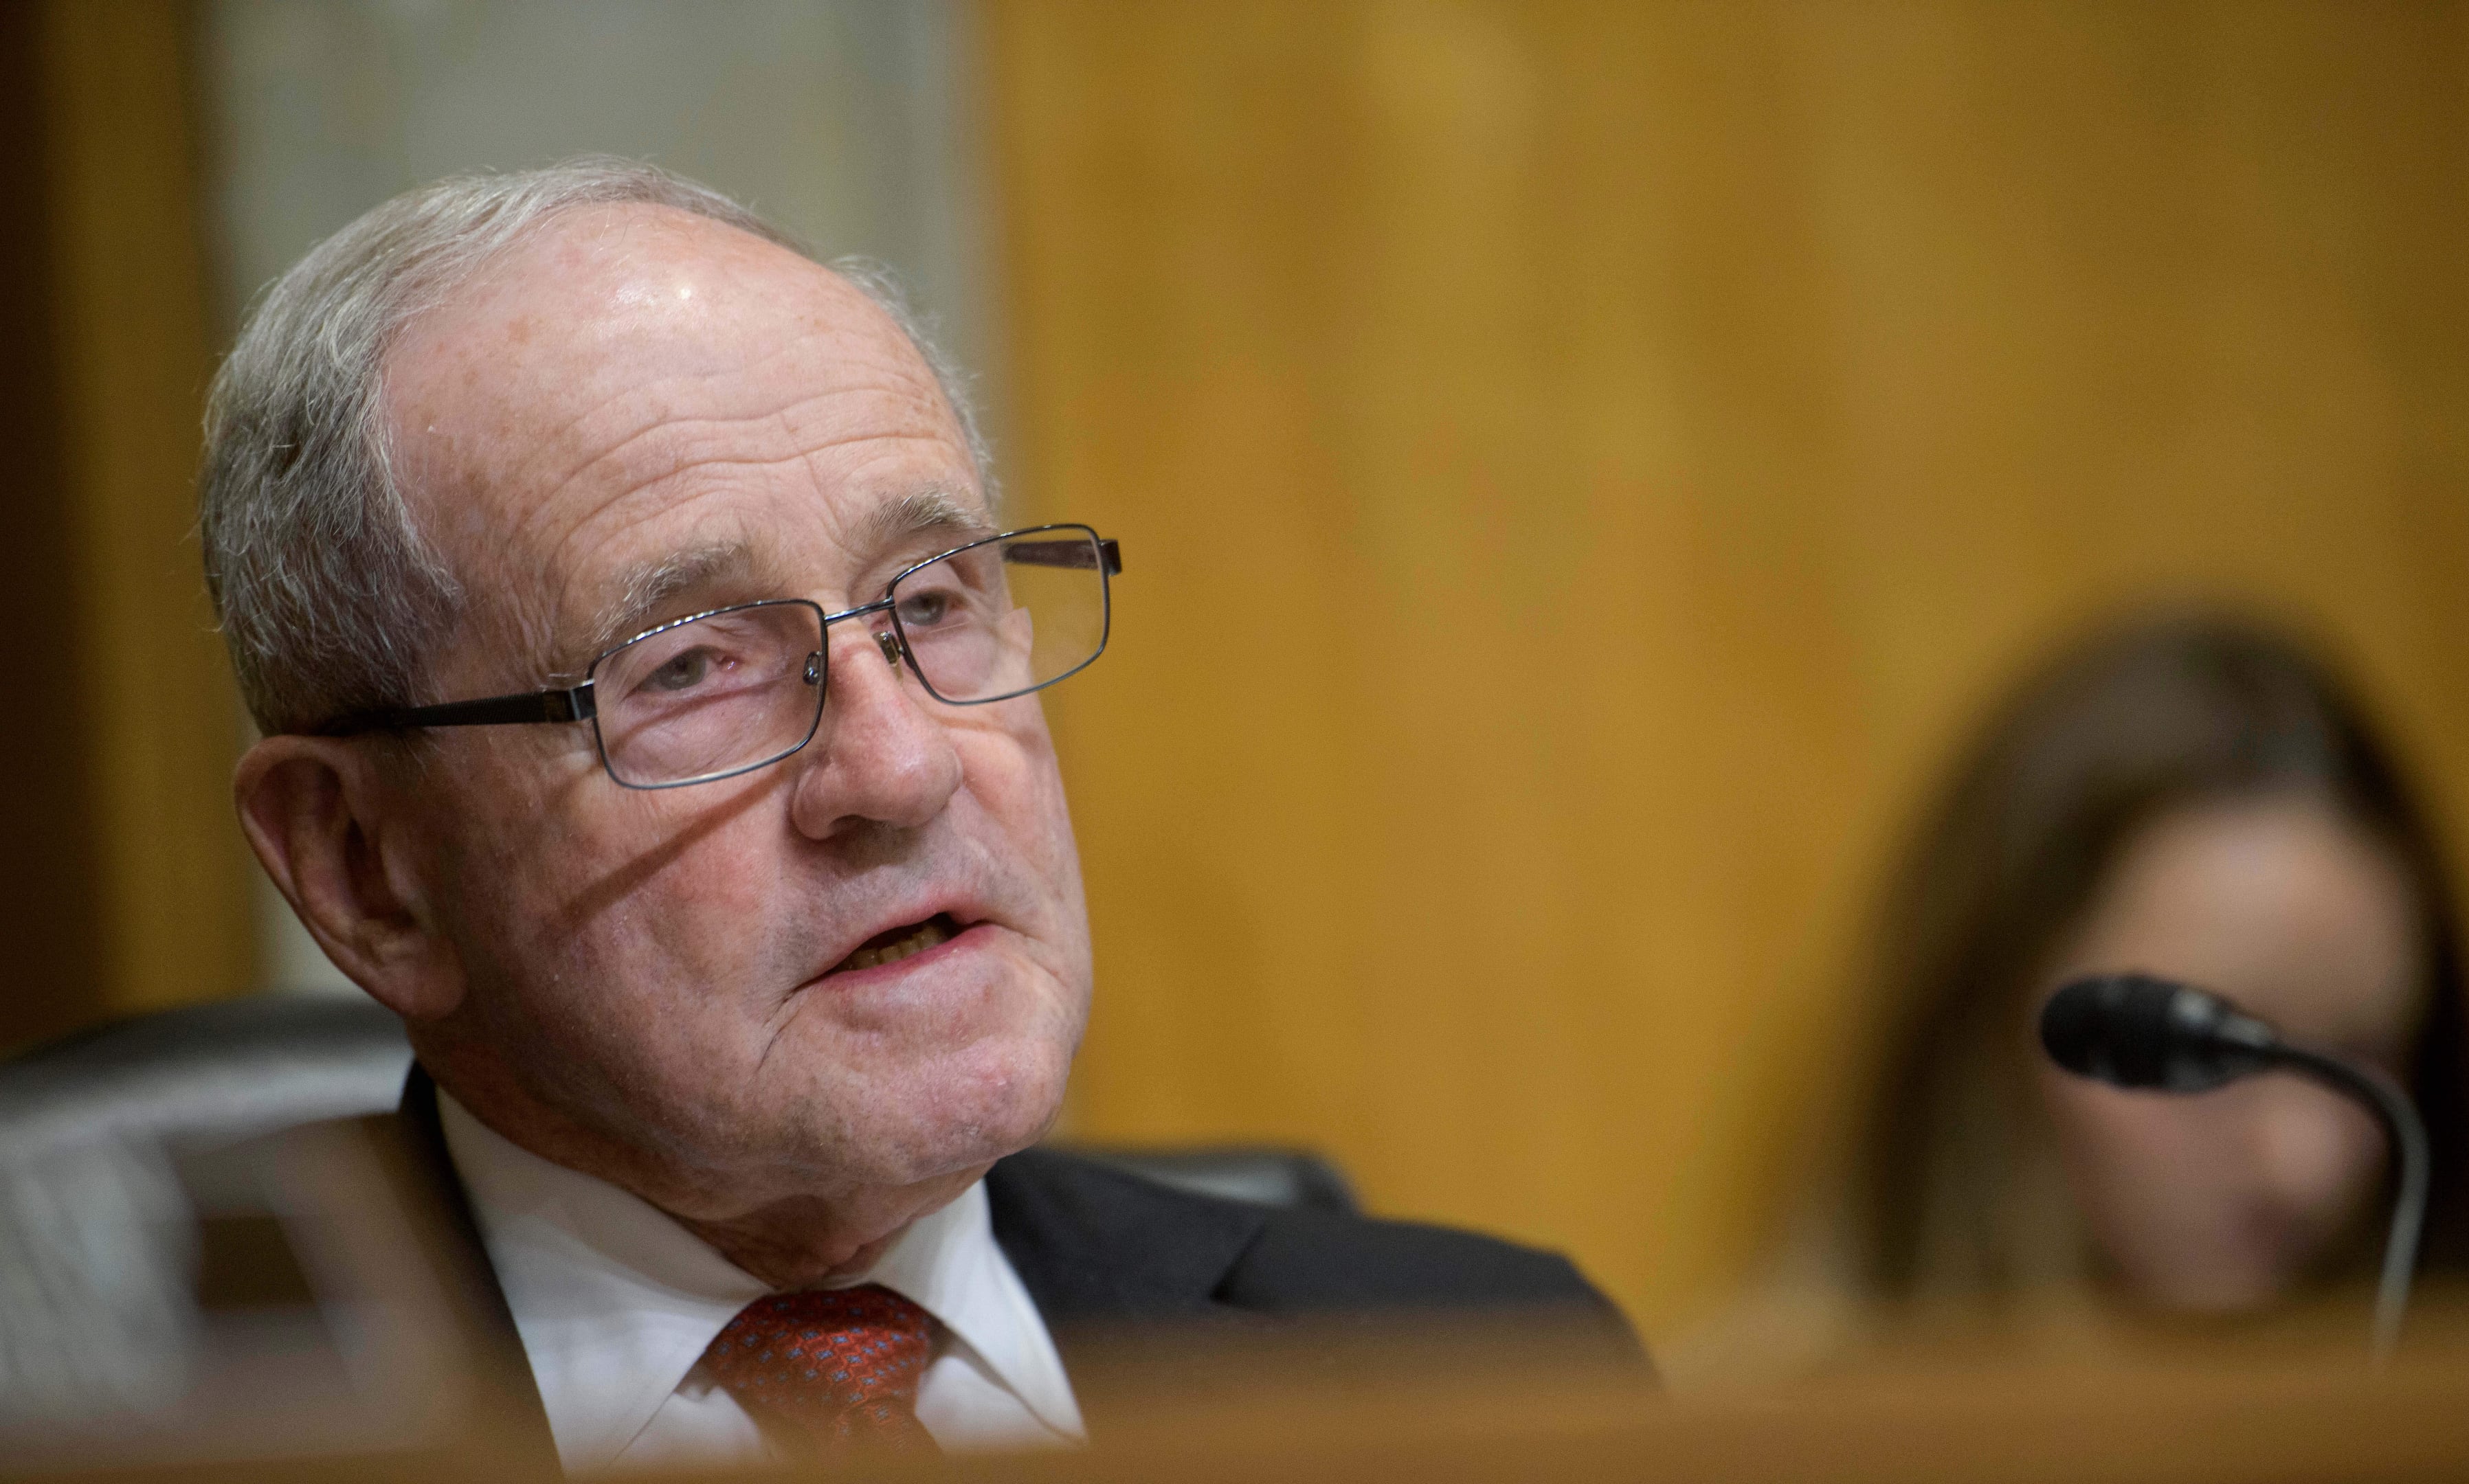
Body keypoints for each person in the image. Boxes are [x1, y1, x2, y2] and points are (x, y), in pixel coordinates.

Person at [203, 159, 1642, 1470]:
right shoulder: (138, 1436)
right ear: (362, 868)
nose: (901, 771)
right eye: (692, 666)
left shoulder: (1492, 1384)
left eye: (933, 601)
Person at [1682, 613, 2469, 1373]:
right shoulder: (1739, 1446)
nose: (2307, 1166)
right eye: (2208, 1046)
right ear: (1991, 1020)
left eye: (2362, 1055)